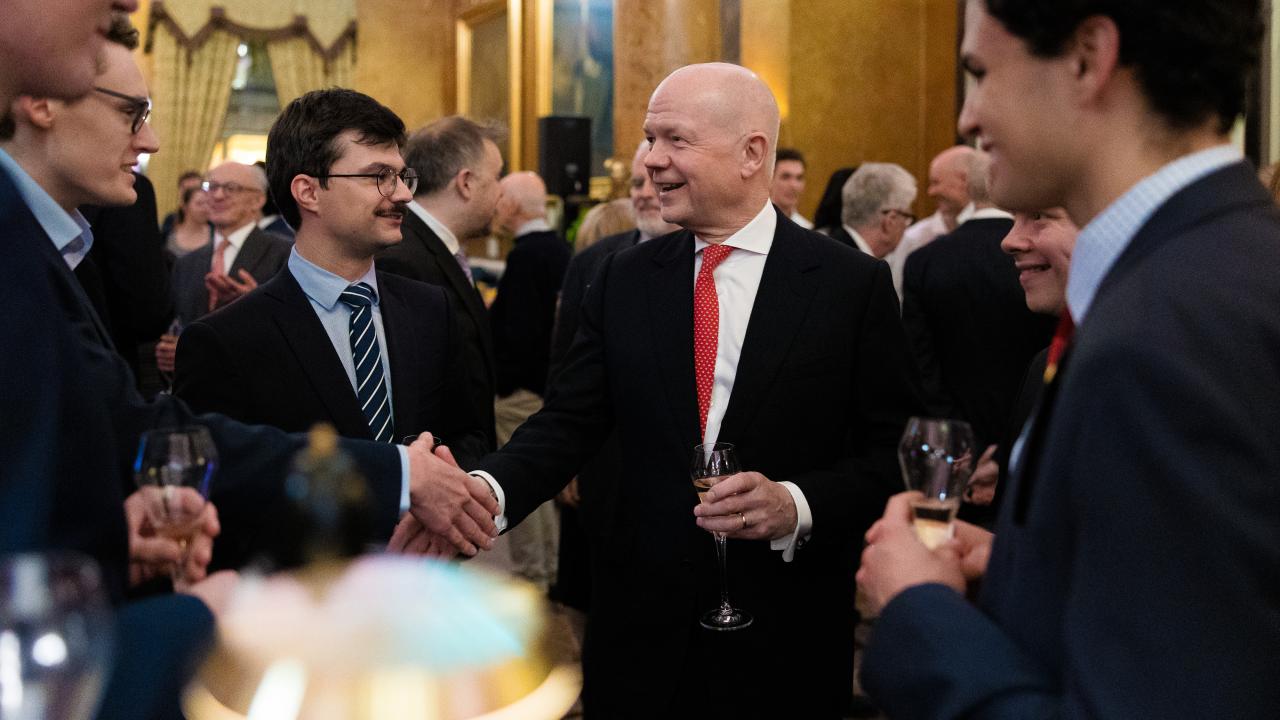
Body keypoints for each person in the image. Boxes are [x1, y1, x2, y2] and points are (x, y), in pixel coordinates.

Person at [396, 62, 919, 718]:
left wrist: (797, 502)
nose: (649, 161)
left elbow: (889, 456)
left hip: (784, 632)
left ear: (752, 153)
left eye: (674, 140)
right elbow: (567, 425)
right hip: (641, 635)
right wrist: (481, 496)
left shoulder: (850, 286)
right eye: (649, 139)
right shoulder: (622, 279)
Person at [858, 2, 1280, 718]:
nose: (968, 117)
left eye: (981, 73)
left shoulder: (1164, 335)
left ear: (1088, 57)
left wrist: (918, 612)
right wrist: (1024, 567)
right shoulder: (1218, 265)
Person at [174, 88, 490, 569]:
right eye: (378, 177)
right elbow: (226, 495)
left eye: (402, 175)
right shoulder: (225, 340)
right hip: (307, 606)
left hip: (430, 585)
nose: (403, 193)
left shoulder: (430, 308)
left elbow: (470, 433)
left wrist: (439, 504)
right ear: (308, 191)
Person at [900, 150, 1054, 459]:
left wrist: (960, 439)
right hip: (1034, 439)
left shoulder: (924, 261)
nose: (1012, 242)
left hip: (952, 447)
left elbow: (920, 365)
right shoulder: (1044, 260)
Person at [378, 116, 506, 451]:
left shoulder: (431, 249)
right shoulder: (403, 259)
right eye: (497, 177)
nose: (502, 190)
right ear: (465, 182)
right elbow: (413, 398)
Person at [831, 162, 918, 258]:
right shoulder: (856, 266)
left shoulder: (829, 251)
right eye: (906, 218)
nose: (906, 227)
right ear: (890, 222)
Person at [164, 180, 212, 258]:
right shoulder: (169, 234)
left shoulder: (215, 234)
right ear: (185, 206)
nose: (205, 208)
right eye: (199, 203)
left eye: (208, 203)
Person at [770, 146, 813, 228]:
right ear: (770, 180)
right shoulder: (753, 225)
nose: (794, 185)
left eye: (799, 178)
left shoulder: (807, 230)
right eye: (785, 177)